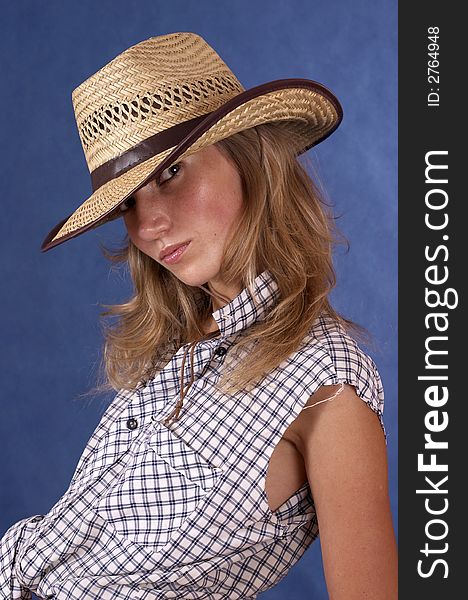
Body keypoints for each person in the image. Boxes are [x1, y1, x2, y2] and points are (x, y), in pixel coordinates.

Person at [0, 32, 397, 599]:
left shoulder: (327, 386)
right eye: (127, 203)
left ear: (247, 156)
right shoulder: (173, 350)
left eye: (171, 172)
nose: (149, 226)